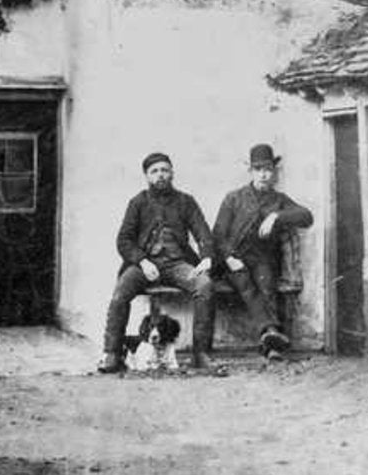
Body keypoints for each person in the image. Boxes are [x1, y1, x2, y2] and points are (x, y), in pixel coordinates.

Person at [98, 152, 217, 373]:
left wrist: (207, 257)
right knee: (120, 293)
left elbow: (203, 233)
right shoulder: (138, 202)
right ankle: (112, 354)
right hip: (144, 265)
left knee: (205, 286)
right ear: (147, 176)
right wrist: (142, 261)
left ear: (172, 173)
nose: (160, 175)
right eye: (154, 171)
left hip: (177, 264)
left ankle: (201, 354)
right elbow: (123, 240)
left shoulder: (186, 201)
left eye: (164, 170)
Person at [213, 143, 313, 361]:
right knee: (245, 283)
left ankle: (271, 343)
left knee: (266, 283)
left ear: (274, 172)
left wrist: (276, 216)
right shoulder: (234, 198)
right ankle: (271, 332)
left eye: (268, 169)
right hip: (233, 260)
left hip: (262, 259)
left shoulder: (279, 200)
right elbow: (218, 235)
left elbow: (306, 216)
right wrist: (229, 258)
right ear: (250, 171)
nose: (264, 175)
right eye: (258, 169)